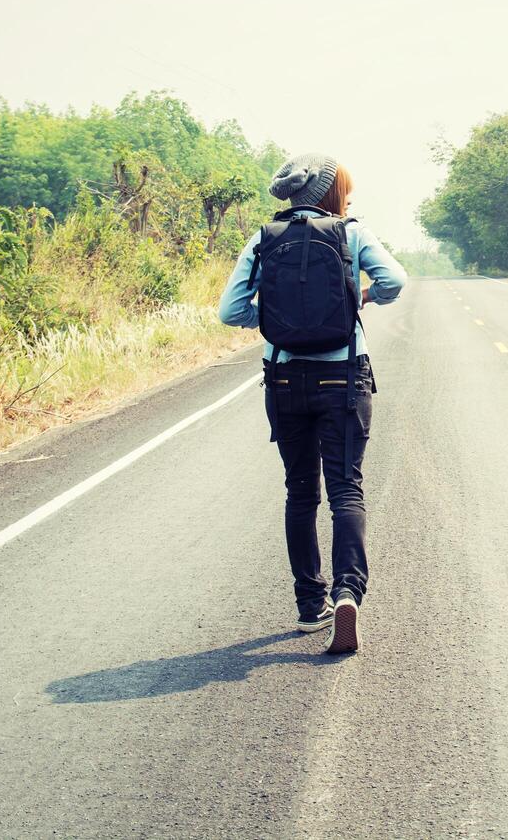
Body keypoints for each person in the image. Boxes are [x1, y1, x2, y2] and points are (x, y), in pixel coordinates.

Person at [218, 153, 406, 653]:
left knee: (300, 492)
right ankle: (349, 592)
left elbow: (229, 310)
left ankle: (310, 606)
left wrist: (272, 313)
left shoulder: (263, 238)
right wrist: (359, 299)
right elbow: (395, 281)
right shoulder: (351, 233)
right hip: (342, 375)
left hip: (283, 379)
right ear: (330, 192)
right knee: (347, 488)